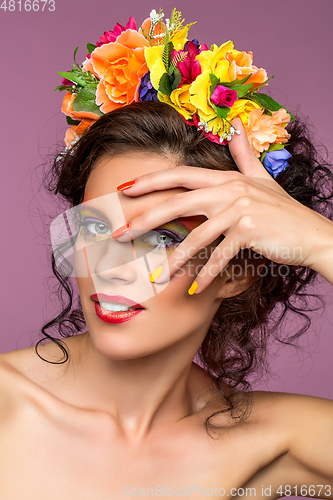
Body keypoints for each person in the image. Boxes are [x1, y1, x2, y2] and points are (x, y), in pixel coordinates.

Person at [0, 9, 333, 499]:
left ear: (238, 271)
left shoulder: (278, 445)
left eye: (161, 238)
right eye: (95, 228)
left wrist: (321, 242)